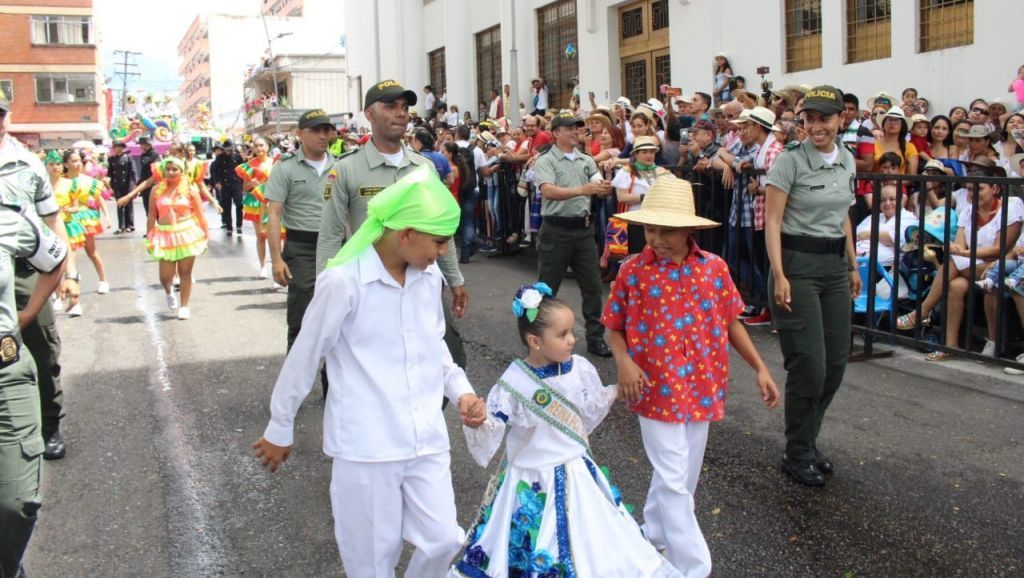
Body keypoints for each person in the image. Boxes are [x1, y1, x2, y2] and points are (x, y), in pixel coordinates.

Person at [253, 166, 486, 577]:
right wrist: (280, 424)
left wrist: (461, 392)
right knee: (371, 562)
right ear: (406, 233)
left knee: (444, 538)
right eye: (438, 242)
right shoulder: (344, 282)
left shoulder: (427, 277)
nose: (442, 253)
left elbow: (436, 349)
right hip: (367, 445)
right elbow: (305, 356)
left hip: (425, 437)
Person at [602, 173, 780, 576]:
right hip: (651, 385)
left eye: (667, 231)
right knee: (672, 476)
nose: (656, 239)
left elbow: (732, 321)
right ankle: (693, 566)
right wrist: (624, 361)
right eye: (650, 229)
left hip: (702, 384)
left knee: (682, 477)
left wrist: (760, 367)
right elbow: (613, 324)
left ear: (688, 231)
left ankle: (654, 534)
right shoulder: (633, 271)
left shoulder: (713, 269)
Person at [452, 283, 682, 578]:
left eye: (573, 331)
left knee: (590, 539)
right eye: (562, 335)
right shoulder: (515, 380)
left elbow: (586, 412)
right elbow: (494, 426)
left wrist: (614, 393)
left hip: (575, 470)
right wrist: (479, 420)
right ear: (535, 341)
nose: (572, 340)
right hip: (530, 476)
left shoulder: (579, 368)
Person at [318, 80, 469, 370]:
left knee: (446, 360)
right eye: (390, 106)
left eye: (404, 107)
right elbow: (330, 237)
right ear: (369, 114)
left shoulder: (422, 168)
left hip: (419, 280)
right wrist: (326, 297)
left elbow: (440, 231)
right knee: (361, 368)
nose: (401, 113)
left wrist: (455, 278)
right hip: (367, 287)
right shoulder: (346, 170)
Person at [764, 85, 861, 487]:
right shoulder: (790, 161)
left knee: (836, 363)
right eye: (809, 119)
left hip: (835, 265)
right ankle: (797, 449)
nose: (816, 126)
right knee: (810, 363)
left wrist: (853, 265)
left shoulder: (848, 161)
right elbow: (772, 221)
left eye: (825, 118)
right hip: (797, 265)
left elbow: (843, 218)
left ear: (841, 120)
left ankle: (807, 439)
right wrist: (780, 274)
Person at [0, 203, 68, 578]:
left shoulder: (7, 218)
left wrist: (27, 315)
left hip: (4, 376)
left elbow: (54, 257)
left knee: (17, 502)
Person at [897, 158, 1022, 361]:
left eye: (979, 189)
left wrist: (964, 253)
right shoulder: (968, 210)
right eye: (970, 190)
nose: (972, 194)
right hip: (972, 264)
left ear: (995, 188)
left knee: (953, 263)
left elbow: (1000, 249)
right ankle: (950, 345)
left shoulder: (1011, 206)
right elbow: (960, 244)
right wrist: (959, 250)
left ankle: (922, 310)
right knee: (955, 285)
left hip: (1002, 266)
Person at [265, 110, 336, 397]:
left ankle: (334, 385)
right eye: (315, 130)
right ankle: (292, 390)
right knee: (301, 320)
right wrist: (277, 259)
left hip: (336, 248)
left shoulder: (340, 166)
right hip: (301, 248)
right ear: (300, 134)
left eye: (326, 130)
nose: (322, 136)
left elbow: (348, 214)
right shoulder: (286, 168)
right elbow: (273, 214)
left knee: (340, 318)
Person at [533, 111, 614, 358]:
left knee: (592, 286)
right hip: (556, 230)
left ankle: (595, 338)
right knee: (546, 289)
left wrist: (604, 188)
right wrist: (583, 190)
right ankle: (538, 337)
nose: (576, 132)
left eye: (578, 128)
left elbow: (597, 184)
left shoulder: (586, 160)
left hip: (582, 230)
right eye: (570, 128)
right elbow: (547, 191)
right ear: (556, 132)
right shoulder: (546, 161)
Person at [144, 157, 209, 320]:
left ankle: (185, 306)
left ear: (182, 171)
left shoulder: (190, 189)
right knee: (165, 277)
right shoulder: (156, 190)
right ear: (164, 171)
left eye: (175, 169)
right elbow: (151, 215)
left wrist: (206, 235)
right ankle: (169, 291)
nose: (171, 172)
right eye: (169, 169)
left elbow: (200, 214)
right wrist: (149, 236)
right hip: (164, 235)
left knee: (185, 273)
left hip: (187, 233)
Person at [57, 149, 110, 298]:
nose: (78, 164)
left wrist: (107, 216)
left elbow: (99, 199)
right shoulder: (60, 181)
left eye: (79, 161)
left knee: (91, 251)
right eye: (74, 161)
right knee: (69, 253)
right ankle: (69, 281)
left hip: (84, 217)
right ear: (66, 164)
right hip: (66, 218)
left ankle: (103, 280)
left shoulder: (88, 181)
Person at [237, 136, 276, 277]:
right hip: (256, 202)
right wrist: (251, 184)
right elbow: (244, 188)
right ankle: (262, 266)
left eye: (261, 145)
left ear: (268, 147)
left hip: (273, 201)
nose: (259, 148)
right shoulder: (249, 165)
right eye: (256, 146)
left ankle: (277, 264)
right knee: (260, 235)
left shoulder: (275, 163)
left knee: (276, 235)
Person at [210, 140, 244, 236]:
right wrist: (216, 182)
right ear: (224, 149)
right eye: (228, 150)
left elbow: (244, 169)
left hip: (236, 184)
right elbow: (214, 171)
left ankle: (239, 226)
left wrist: (243, 181)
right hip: (225, 185)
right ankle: (229, 227)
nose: (230, 151)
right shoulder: (219, 158)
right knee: (227, 207)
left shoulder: (237, 156)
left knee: (239, 205)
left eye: (231, 150)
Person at [107, 139, 137, 233]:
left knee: (128, 205)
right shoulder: (112, 159)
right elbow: (110, 173)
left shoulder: (128, 157)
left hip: (127, 184)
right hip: (117, 184)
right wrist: (110, 185)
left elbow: (133, 171)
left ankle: (130, 225)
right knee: (119, 205)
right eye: (114, 147)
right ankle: (121, 226)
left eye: (116, 147)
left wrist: (134, 184)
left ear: (121, 148)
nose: (115, 149)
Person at [137, 136, 160, 215]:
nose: (141, 146)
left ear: (147, 144)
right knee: (147, 208)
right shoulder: (144, 155)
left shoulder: (154, 154)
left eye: (142, 144)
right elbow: (143, 170)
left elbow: (147, 164)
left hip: (152, 184)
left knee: (154, 208)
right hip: (144, 184)